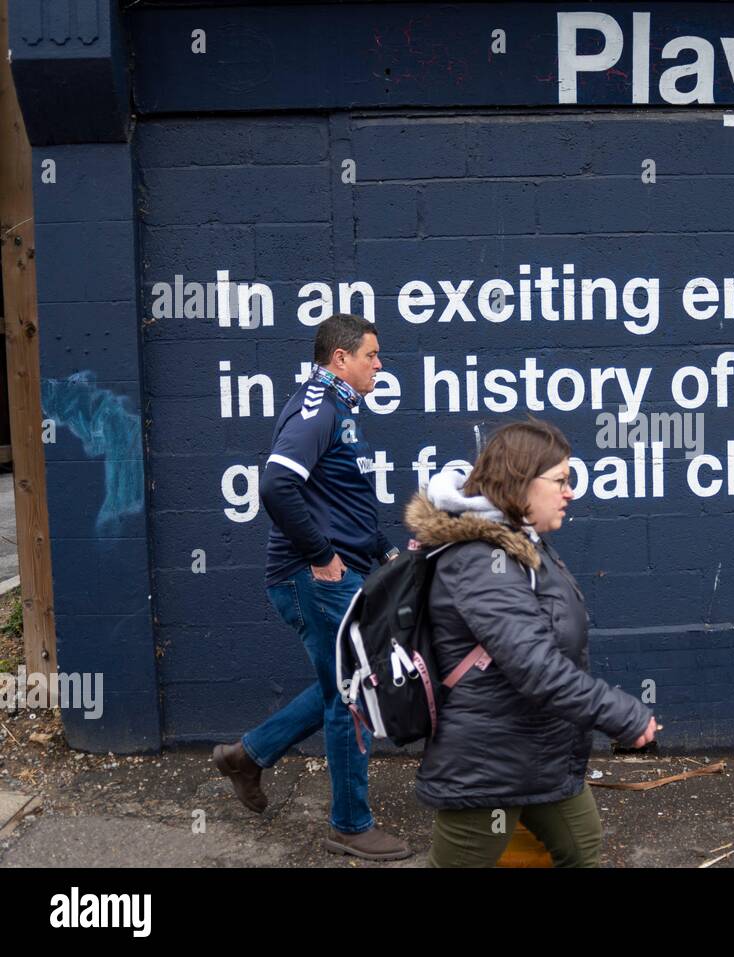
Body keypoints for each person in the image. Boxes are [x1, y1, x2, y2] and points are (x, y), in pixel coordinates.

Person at [403, 418, 658, 867]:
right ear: (521, 483)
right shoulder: (483, 560)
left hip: (537, 749)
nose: (571, 491)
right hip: (488, 764)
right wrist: (621, 713)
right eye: (561, 479)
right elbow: (536, 666)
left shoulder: (518, 541)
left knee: (581, 846)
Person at [212, 313, 412, 861]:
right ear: (340, 358)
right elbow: (276, 484)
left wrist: (385, 551)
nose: (379, 363)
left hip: (328, 571)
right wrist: (323, 558)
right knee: (353, 696)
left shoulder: (334, 407)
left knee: (340, 685)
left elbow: (339, 497)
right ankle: (349, 824)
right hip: (314, 579)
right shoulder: (318, 408)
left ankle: (248, 756)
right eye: (371, 354)